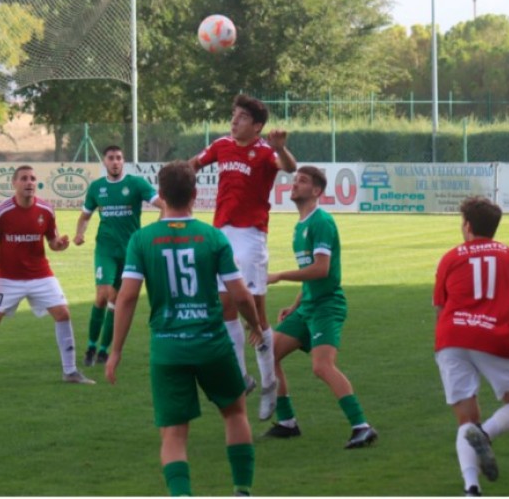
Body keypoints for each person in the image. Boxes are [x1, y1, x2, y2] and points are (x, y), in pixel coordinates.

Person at [106, 161, 262, 497]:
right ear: (195, 194)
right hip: (212, 343)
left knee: (174, 433)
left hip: (167, 347)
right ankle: (242, 489)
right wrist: (257, 326)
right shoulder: (212, 237)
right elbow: (241, 295)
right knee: (235, 413)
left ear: (160, 195)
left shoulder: (142, 239)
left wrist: (115, 350)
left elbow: (128, 296)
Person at [189, 92, 296, 420]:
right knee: (224, 306)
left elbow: (289, 168)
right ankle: (241, 377)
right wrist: (183, 176)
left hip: (251, 236)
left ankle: (268, 383)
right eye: (233, 115)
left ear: (258, 126)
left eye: (242, 118)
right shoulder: (221, 145)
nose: (234, 121)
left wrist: (280, 147)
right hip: (221, 234)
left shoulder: (265, 152)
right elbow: (194, 163)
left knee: (257, 314)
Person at [265, 165, 378, 449]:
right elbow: (309, 275)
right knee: (268, 355)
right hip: (308, 306)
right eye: (294, 180)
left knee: (322, 366)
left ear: (316, 191)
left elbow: (321, 269)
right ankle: (288, 422)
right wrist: (294, 306)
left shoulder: (321, 222)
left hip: (327, 306)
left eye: (302, 181)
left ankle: (362, 426)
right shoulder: (300, 225)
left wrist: (279, 276)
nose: (294, 184)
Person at [433, 196, 509, 496]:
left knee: (466, 418)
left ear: (468, 225)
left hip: (450, 339)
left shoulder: (450, 257)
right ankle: (485, 434)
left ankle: (471, 487)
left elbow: (440, 307)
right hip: (491, 337)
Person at [0, 165, 93, 385]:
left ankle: (70, 372)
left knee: (63, 313)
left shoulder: (46, 210)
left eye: (32, 178)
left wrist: (59, 244)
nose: (29, 182)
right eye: (24, 178)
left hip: (41, 275)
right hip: (8, 278)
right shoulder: (2, 212)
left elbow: (52, 241)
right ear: (14, 184)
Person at [73, 145, 157, 366]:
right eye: (111, 158)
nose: (115, 162)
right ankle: (91, 345)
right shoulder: (96, 188)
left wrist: (157, 230)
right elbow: (84, 217)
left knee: (115, 300)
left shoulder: (136, 184)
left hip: (130, 252)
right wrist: (79, 234)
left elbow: (163, 204)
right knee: (103, 294)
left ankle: (103, 350)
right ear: (104, 161)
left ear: (124, 161)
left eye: (119, 158)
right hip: (106, 250)